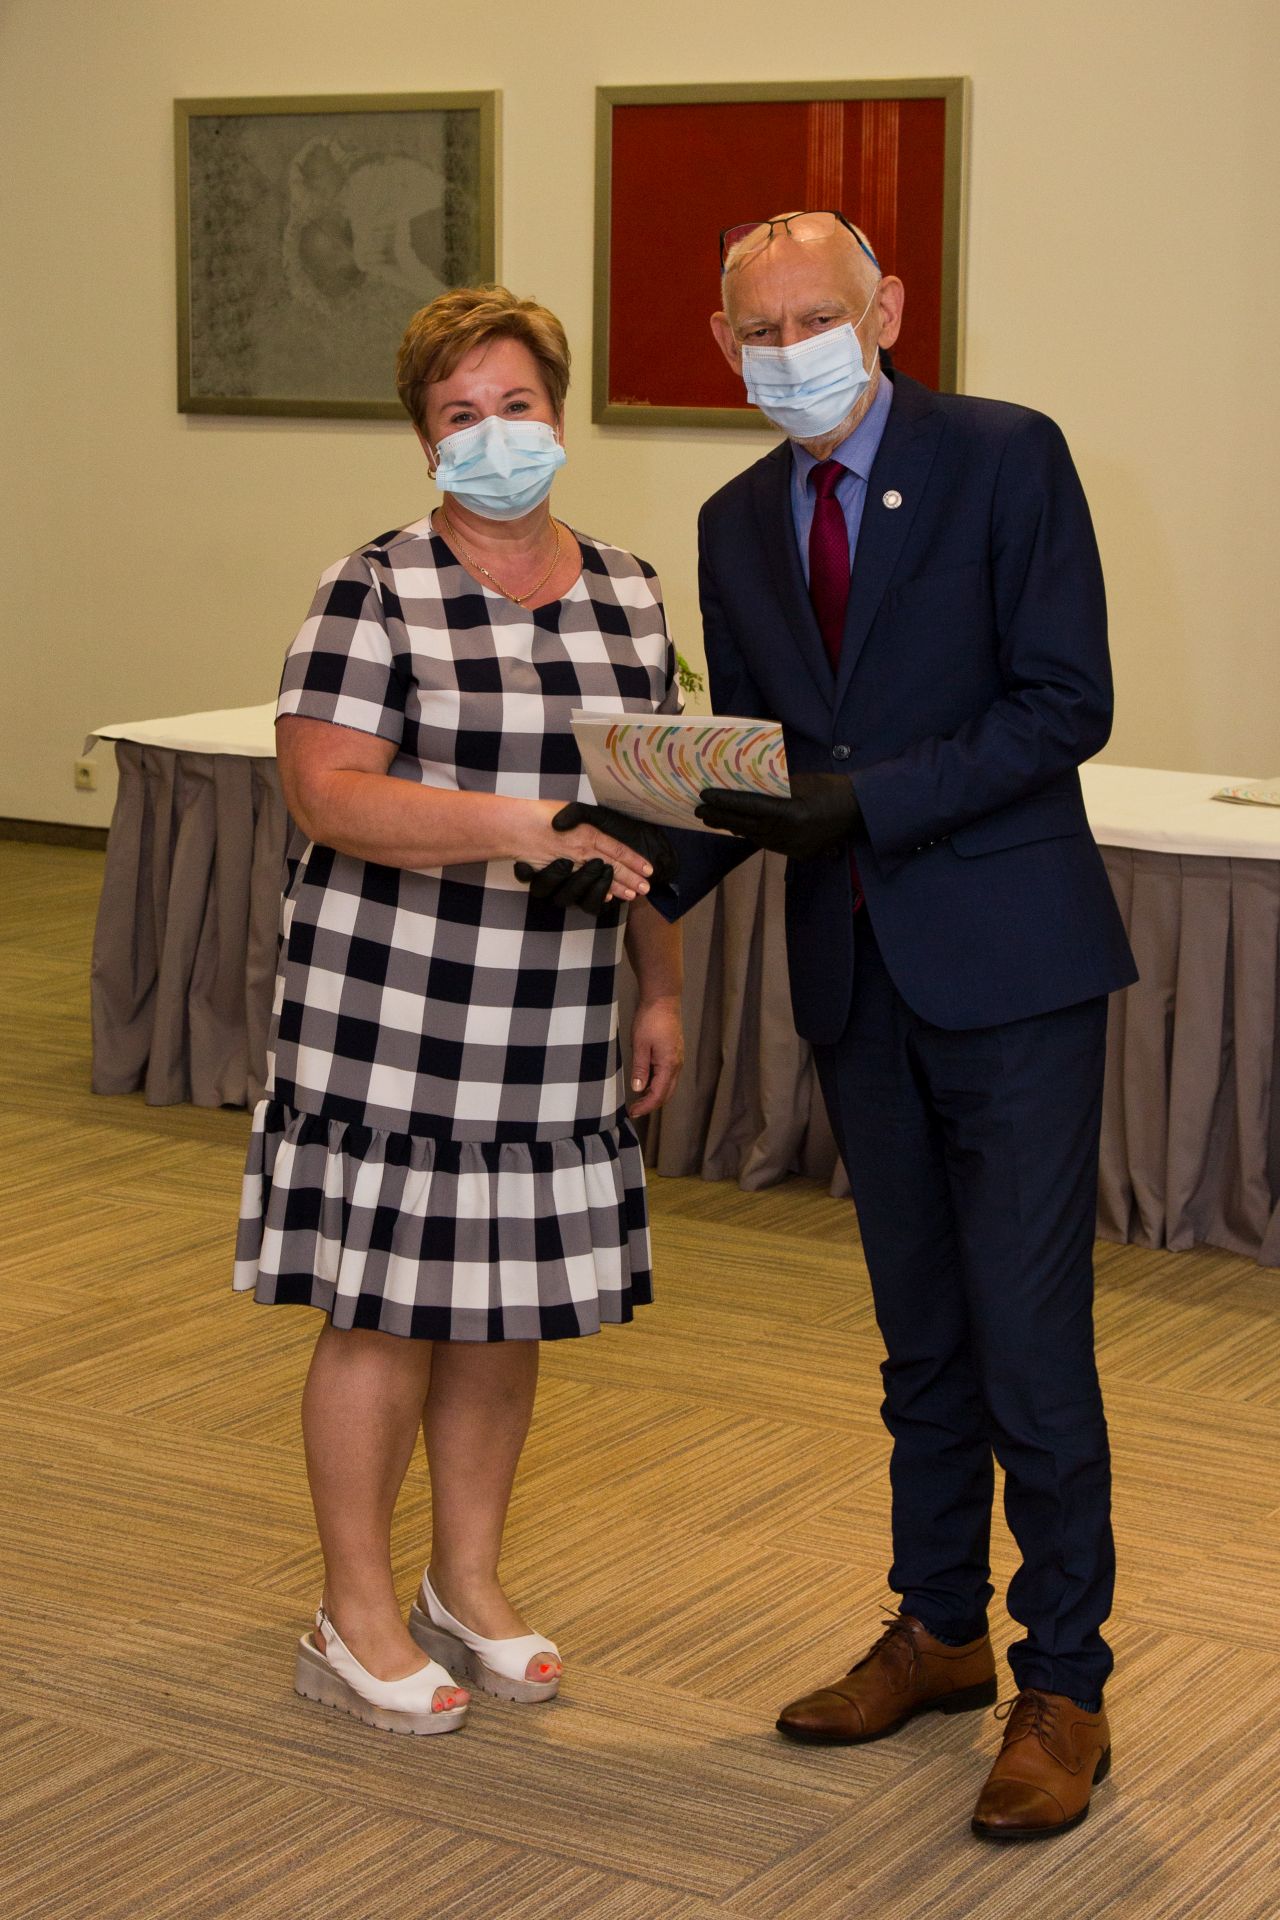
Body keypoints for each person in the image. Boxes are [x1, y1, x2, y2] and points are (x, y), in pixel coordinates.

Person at [657, 211, 1137, 1839]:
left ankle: (1062, 1683)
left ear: (888, 310)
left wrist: (862, 804)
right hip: (856, 980)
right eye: (762, 326)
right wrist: (630, 863)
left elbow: (1064, 703)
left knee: (1029, 1344)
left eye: (820, 314)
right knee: (920, 1337)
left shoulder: (1005, 457)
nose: (792, 345)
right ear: (725, 346)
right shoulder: (735, 518)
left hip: (1013, 972)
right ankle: (937, 1630)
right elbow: (758, 762)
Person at [234, 284, 683, 1737]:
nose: (495, 434)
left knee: (502, 1312)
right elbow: (326, 792)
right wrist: (516, 824)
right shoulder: (372, 588)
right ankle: (351, 1610)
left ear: (561, 410)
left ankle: (465, 1582)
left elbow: (646, 809)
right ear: (426, 441)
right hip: (392, 1007)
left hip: (552, 1015)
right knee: (383, 1311)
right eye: (460, 414)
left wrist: (662, 982)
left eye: (517, 405)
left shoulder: (630, 590)